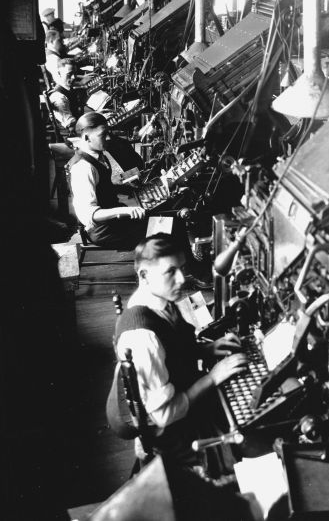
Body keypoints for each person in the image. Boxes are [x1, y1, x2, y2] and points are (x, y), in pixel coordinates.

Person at [114, 233, 254, 520]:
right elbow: (165, 415)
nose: (182, 279)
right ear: (144, 274)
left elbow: (174, 347)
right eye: (171, 272)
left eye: (183, 268)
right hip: (173, 434)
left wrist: (207, 349)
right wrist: (214, 377)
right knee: (253, 438)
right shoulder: (143, 337)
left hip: (178, 395)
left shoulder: (156, 299)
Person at [67, 112, 147, 248]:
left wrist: (126, 183)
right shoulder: (83, 168)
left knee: (156, 216)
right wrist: (126, 211)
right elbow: (89, 214)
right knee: (159, 230)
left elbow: (102, 186)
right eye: (103, 135)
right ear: (86, 137)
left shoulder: (98, 154)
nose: (108, 138)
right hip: (102, 230)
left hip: (111, 220)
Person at [49, 59, 80, 134]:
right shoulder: (59, 97)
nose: (74, 77)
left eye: (75, 73)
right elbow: (71, 126)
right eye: (69, 74)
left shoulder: (67, 89)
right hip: (68, 134)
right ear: (59, 73)